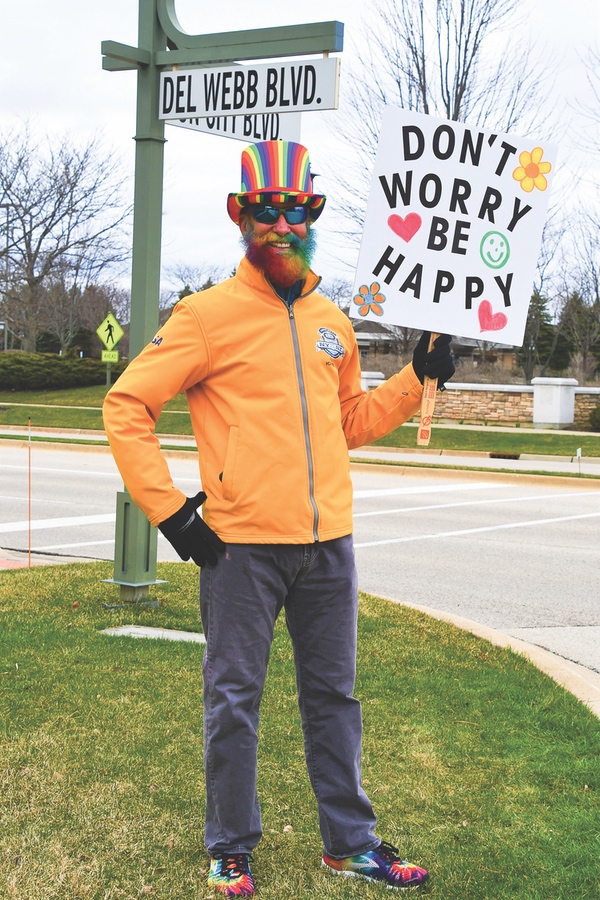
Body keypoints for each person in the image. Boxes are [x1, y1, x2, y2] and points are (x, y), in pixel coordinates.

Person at [103, 140, 455, 897]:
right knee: (234, 700)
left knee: (336, 697)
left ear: (311, 216)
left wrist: (416, 377)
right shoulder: (205, 316)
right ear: (242, 218)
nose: (282, 225)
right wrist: (171, 515)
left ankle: (350, 845)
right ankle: (230, 846)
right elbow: (126, 404)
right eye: (267, 211)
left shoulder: (333, 320)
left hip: (329, 545)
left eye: (297, 210)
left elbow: (348, 421)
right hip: (241, 551)